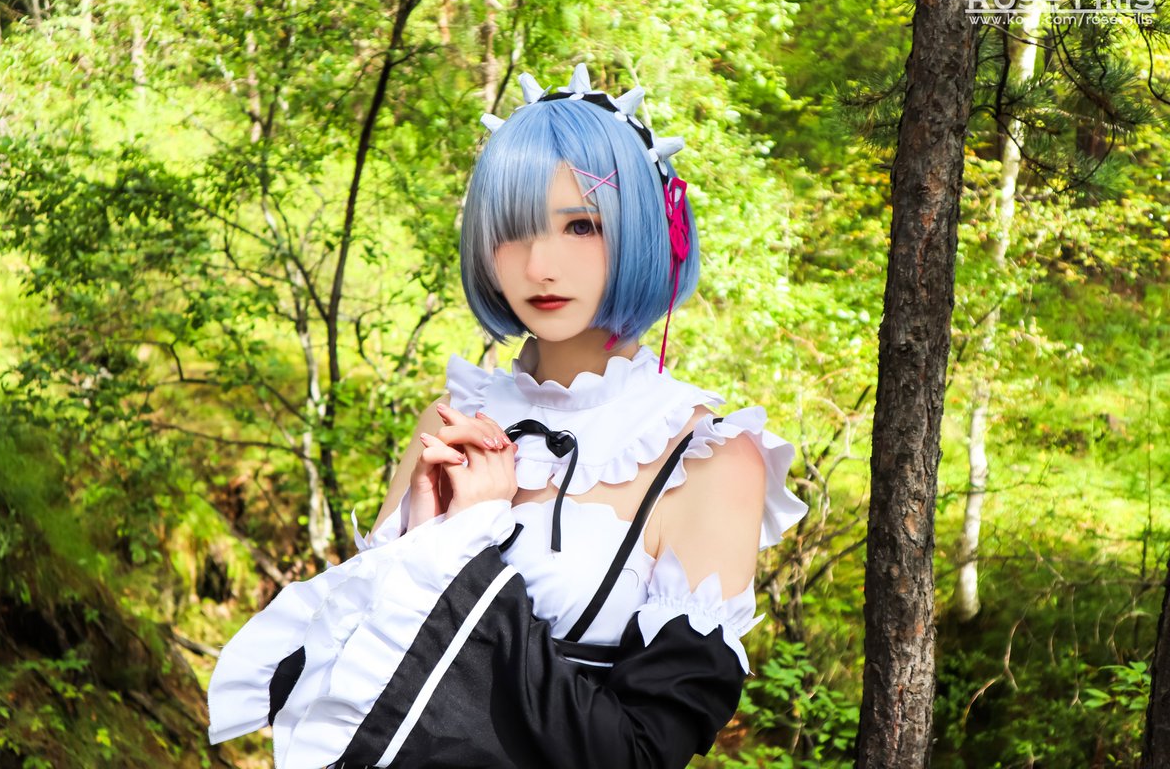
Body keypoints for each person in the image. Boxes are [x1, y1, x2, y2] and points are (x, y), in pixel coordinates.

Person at [206, 64, 808, 769]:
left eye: (581, 226)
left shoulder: (709, 459)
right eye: (514, 231)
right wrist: (421, 544)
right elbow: (356, 686)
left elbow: (640, 755)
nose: (540, 265)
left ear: (649, 231)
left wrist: (465, 549)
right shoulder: (452, 418)